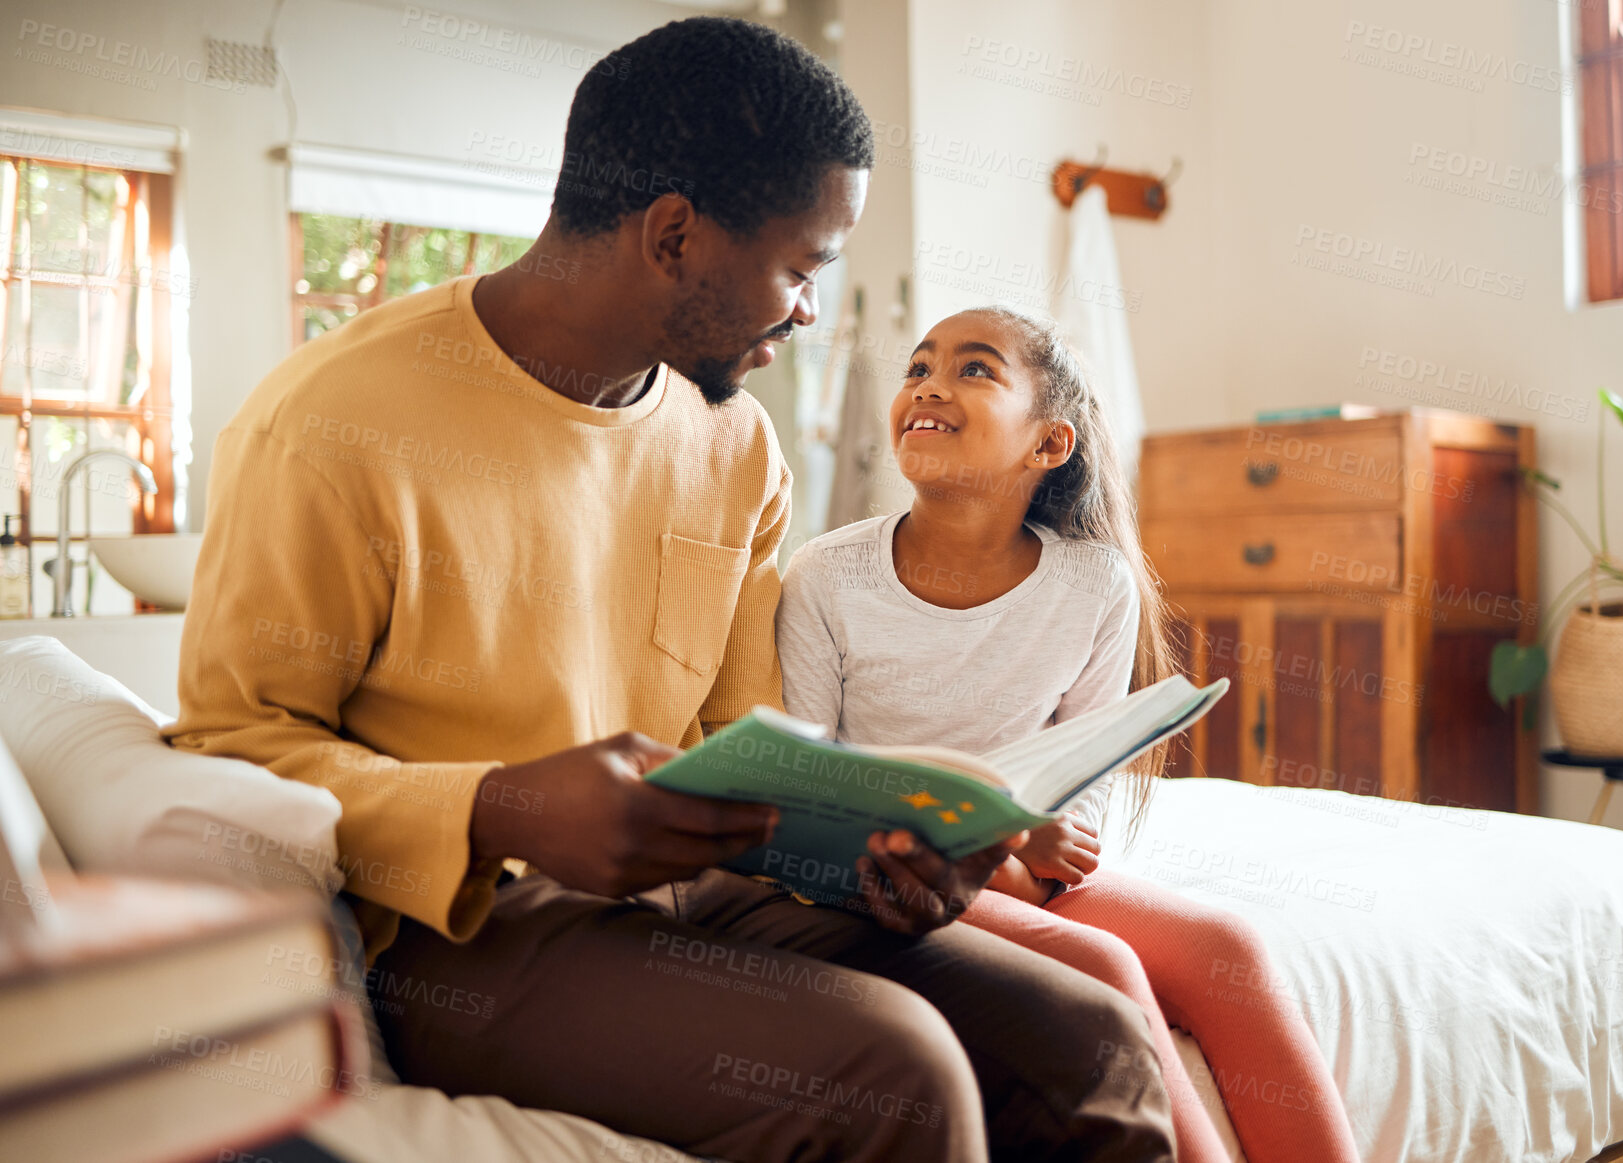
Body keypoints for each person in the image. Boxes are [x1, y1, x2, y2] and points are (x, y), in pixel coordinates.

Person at [165, 18, 1176, 1163]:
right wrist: (501, 804)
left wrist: (873, 852)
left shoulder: (736, 446)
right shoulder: (331, 422)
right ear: (676, 236)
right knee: (893, 1070)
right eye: (800, 270)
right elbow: (229, 746)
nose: (806, 313)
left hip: (708, 886)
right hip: (468, 928)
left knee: (1093, 1036)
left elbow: (750, 738)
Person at [776, 305, 1363, 1163]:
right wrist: (1006, 838)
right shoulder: (826, 573)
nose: (930, 384)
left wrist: (1020, 852)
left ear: (1048, 445)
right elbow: (808, 783)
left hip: (1023, 865)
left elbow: (1076, 807)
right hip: (896, 871)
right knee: (1105, 967)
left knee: (1229, 951)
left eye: (975, 369)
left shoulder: (1094, 583)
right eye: (919, 367)